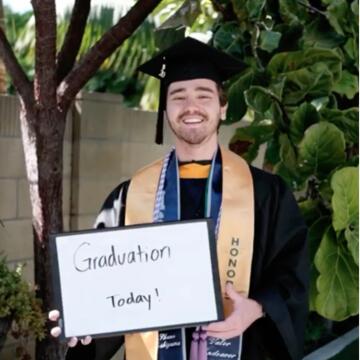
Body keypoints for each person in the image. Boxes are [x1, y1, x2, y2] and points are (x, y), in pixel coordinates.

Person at [49, 37, 308, 360]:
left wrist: (256, 308)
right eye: (178, 96)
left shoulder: (266, 195)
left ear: (222, 106)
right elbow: (107, 288)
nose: (191, 107)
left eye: (203, 95)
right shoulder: (128, 198)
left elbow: (292, 275)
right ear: (166, 108)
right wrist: (82, 319)